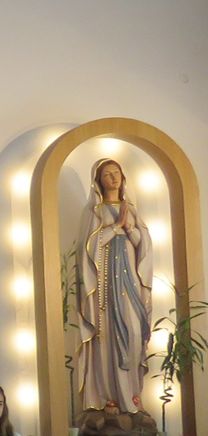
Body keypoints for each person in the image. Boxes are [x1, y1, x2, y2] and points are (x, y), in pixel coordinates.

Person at [75, 158, 154, 417]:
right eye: (107, 174)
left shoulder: (131, 209)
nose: (113, 178)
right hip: (105, 288)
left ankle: (132, 395)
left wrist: (129, 227)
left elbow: (144, 246)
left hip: (130, 283)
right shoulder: (94, 211)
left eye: (116, 172)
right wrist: (115, 227)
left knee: (133, 332)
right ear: (98, 181)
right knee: (107, 337)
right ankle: (109, 396)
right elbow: (89, 248)